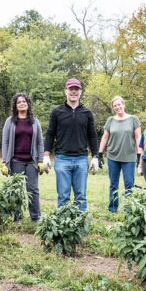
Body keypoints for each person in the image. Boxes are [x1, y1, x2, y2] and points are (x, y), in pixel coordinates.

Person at [43, 78, 99, 212]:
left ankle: (79, 227)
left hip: (81, 159)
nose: (73, 92)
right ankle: (64, 227)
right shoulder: (57, 112)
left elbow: (92, 136)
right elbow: (50, 133)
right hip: (62, 159)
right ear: (65, 92)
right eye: (70, 89)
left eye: (76, 89)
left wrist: (96, 156)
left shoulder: (87, 113)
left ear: (80, 92)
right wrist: (46, 155)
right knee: (63, 196)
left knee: (81, 196)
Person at [1, 93, 44, 222]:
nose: (21, 103)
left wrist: (40, 160)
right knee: (16, 190)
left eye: (24, 101)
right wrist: (4, 162)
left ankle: (35, 217)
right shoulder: (10, 121)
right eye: (19, 102)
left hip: (32, 161)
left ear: (28, 104)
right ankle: (17, 218)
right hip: (15, 161)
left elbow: (40, 142)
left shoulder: (35, 121)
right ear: (15, 105)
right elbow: (5, 142)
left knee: (33, 190)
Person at [98, 96, 141, 213]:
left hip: (129, 157)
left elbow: (138, 137)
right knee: (113, 185)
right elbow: (105, 137)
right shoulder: (110, 120)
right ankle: (112, 208)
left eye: (119, 104)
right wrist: (100, 153)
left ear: (123, 104)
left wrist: (139, 153)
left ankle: (129, 210)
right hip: (113, 157)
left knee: (129, 185)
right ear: (113, 108)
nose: (118, 107)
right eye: (115, 106)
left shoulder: (133, 119)